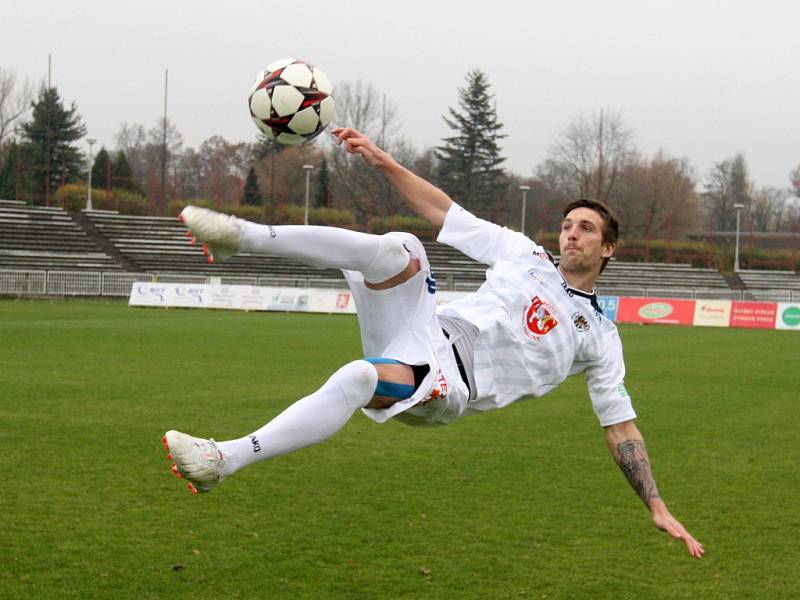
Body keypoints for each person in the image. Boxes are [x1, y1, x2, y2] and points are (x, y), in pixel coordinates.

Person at [162, 127, 704, 559]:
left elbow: (621, 427)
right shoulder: (525, 255)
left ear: (608, 248)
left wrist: (655, 502)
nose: (570, 234)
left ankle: (223, 459)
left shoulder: (601, 337)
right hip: (424, 331)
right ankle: (244, 238)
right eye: (567, 225)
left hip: (450, 385)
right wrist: (383, 160)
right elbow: (446, 213)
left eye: (585, 228)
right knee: (402, 247)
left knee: (359, 377)